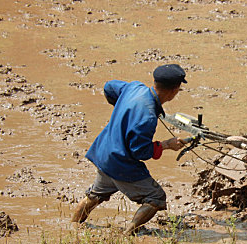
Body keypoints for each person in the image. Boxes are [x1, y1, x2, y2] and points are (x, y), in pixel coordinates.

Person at [71, 64, 187, 235]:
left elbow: (109, 87)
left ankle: (72, 227)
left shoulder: (135, 87)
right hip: (121, 163)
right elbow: (140, 152)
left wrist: (122, 111)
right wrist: (167, 145)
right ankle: (128, 234)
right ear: (173, 91)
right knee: (156, 197)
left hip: (105, 153)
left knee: (95, 195)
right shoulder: (147, 117)